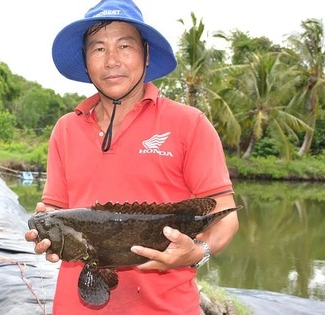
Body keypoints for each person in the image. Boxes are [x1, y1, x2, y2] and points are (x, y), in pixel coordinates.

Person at [24, 0, 239, 314]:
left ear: (146, 54)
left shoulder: (190, 125)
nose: (112, 60)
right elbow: (57, 209)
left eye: (124, 46)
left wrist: (196, 251)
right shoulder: (65, 129)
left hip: (167, 307)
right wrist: (46, 235)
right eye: (98, 49)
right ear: (85, 61)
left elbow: (225, 215)